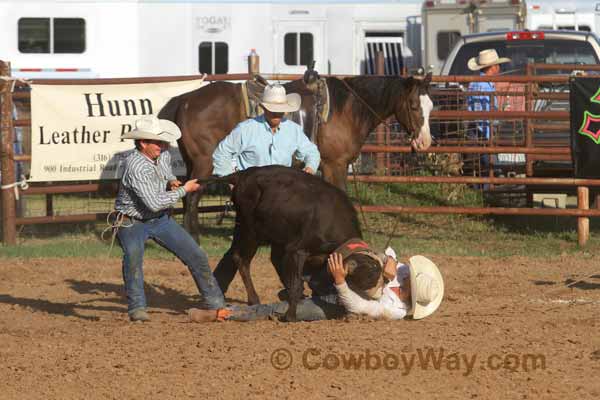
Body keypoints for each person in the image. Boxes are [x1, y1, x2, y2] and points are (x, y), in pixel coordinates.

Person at [114, 116, 225, 322]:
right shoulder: (135, 166)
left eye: (163, 141)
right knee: (133, 259)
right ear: (143, 143)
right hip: (132, 220)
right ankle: (137, 308)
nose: (163, 145)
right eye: (157, 142)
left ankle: (216, 303)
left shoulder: (161, 155)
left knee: (196, 255)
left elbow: (164, 170)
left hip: (159, 219)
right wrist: (184, 189)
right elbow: (154, 203)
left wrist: (172, 180)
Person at [188, 239, 444, 322]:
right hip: (339, 277)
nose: (407, 273)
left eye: (411, 279)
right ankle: (297, 285)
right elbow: (388, 254)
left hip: (339, 301)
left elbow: (358, 307)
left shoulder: (394, 311)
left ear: (410, 295)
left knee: (285, 312)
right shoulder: (403, 273)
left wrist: (341, 280)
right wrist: (389, 261)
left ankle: (224, 313)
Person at [211, 84, 320, 177]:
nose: (277, 113)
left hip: (283, 188)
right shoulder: (245, 129)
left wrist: (310, 167)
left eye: (280, 110)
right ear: (264, 108)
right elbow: (222, 153)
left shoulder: (293, 130)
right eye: (273, 109)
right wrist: (230, 180)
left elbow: (311, 152)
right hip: (252, 189)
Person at [467, 49, 511, 175]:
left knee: (479, 165)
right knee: (488, 165)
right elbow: (486, 114)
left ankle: (481, 188)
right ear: (493, 67)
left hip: (475, 129)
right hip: (484, 131)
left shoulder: (475, 83)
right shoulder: (485, 86)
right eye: (498, 65)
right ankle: (488, 189)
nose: (499, 68)